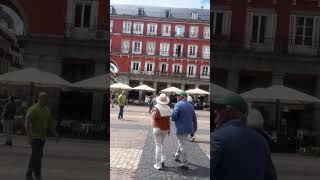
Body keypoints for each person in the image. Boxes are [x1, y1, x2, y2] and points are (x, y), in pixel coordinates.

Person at [211, 93, 277, 180]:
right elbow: (270, 176)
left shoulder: (217, 137)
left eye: (219, 108)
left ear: (229, 111)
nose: (215, 111)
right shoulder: (261, 140)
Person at [25, 92, 59, 180]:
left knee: (38, 156)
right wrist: (29, 136)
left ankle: (36, 174)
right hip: (35, 136)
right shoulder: (33, 109)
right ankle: (30, 174)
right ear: (39, 99)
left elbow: (49, 123)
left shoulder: (46, 109)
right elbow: (27, 123)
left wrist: (55, 133)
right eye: (45, 99)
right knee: (36, 155)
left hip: (42, 137)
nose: (47, 100)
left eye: (47, 98)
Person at [172, 91, 197, 169]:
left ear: (181, 97)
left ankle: (185, 162)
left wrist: (174, 117)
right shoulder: (191, 106)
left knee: (182, 144)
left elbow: (174, 116)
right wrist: (194, 129)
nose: (177, 97)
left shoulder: (177, 104)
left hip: (180, 128)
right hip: (189, 128)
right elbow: (194, 118)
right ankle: (177, 155)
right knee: (182, 142)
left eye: (178, 96)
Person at [151, 93, 171, 170]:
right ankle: (163, 160)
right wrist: (169, 129)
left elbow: (154, 117)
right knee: (162, 144)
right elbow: (168, 119)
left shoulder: (156, 107)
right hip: (165, 128)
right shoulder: (168, 108)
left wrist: (153, 111)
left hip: (157, 127)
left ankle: (158, 164)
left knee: (158, 145)